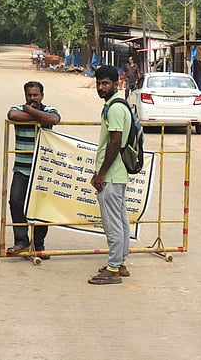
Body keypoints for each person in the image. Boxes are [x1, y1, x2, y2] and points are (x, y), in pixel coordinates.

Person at [6, 81, 61, 259]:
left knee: (42, 208)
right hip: (21, 167)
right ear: (25, 95)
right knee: (15, 201)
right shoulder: (17, 108)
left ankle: (38, 245)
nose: (32, 98)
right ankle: (22, 241)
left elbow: (53, 119)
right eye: (29, 95)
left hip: (43, 168)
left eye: (35, 95)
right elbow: (12, 115)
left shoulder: (50, 109)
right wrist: (38, 116)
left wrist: (29, 111)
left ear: (42, 96)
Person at [89, 65, 131, 285]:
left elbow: (115, 142)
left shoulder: (114, 108)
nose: (101, 87)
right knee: (121, 221)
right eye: (98, 83)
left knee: (112, 223)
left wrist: (101, 173)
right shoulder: (116, 106)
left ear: (117, 83)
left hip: (112, 175)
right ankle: (120, 263)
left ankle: (113, 269)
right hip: (118, 174)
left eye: (105, 83)